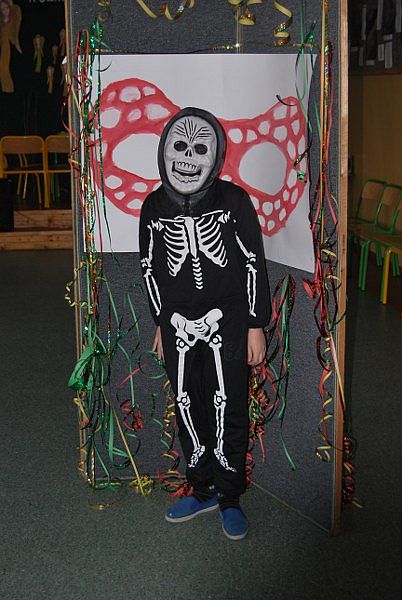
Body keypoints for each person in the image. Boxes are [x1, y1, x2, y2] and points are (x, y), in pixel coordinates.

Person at [139, 107, 271, 540]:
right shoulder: (154, 207)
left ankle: (229, 494)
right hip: (176, 324)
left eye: (200, 150)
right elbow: (149, 267)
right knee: (186, 403)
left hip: (228, 323)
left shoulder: (233, 202)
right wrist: (161, 322)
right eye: (179, 147)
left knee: (229, 402)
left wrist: (255, 323)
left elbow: (253, 262)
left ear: (215, 158)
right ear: (165, 151)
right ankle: (202, 488)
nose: (187, 158)